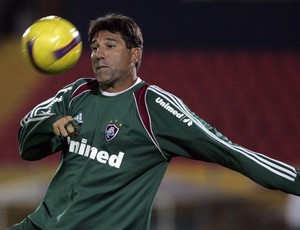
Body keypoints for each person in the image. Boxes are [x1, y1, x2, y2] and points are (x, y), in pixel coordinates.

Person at [9, 13, 300, 230]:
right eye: (95, 47)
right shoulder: (77, 92)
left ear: (135, 54)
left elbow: (229, 152)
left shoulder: (154, 107)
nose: (98, 54)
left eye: (110, 45)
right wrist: (49, 126)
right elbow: (27, 145)